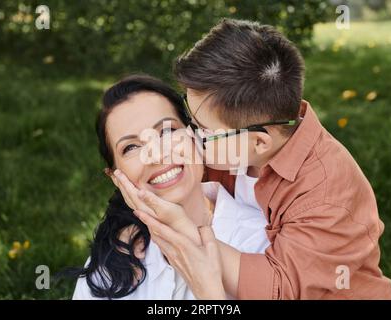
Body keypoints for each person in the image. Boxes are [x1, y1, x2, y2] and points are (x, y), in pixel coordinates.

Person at [119, 19, 391, 299]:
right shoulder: (235, 145)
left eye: (202, 129)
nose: (191, 134)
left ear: (259, 141)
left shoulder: (327, 193)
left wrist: (184, 231)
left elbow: (278, 290)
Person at [72, 74, 269, 299]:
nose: (157, 154)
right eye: (131, 147)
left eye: (167, 131)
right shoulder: (110, 263)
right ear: (116, 178)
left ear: (195, 135)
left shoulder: (260, 242)